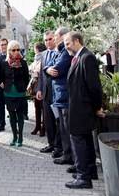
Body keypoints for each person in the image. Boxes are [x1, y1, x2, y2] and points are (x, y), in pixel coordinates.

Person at [64, 32, 103, 189]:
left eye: (67, 43)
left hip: (83, 109)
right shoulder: (79, 57)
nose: (66, 46)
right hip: (79, 108)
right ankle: (90, 171)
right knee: (85, 140)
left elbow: (94, 87)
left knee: (79, 141)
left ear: (77, 41)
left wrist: (97, 107)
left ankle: (83, 178)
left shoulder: (87, 57)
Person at [44, 27, 74, 165]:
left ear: (62, 37)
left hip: (64, 95)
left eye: (55, 36)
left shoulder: (66, 53)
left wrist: (50, 69)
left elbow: (57, 69)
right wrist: (48, 69)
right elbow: (48, 67)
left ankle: (69, 156)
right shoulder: (60, 51)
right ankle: (66, 154)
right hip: (59, 96)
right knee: (62, 127)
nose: (54, 39)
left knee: (67, 128)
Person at [36, 31, 62, 158]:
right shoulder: (44, 54)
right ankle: (51, 144)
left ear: (55, 39)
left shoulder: (60, 53)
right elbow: (41, 73)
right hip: (46, 93)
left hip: (57, 93)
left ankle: (59, 147)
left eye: (50, 39)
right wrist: (39, 89)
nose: (48, 42)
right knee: (48, 121)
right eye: (45, 40)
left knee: (58, 120)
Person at [2, 40, 29, 147]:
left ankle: (21, 137)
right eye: (14, 50)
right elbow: (1, 76)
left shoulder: (23, 62)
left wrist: (23, 87)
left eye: (18, 49)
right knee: (12, 116)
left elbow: (27, 78)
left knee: (20, 116)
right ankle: (14, 137)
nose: (16, 52)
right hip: (8, 93)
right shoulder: (4, 63)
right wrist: (1, 83)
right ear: (9, 51)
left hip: (20, 93)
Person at [27, 42, 46, 136]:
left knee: (43, 108)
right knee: (37, 108)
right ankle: (38, 126)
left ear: (37, 49)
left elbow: (37, 71)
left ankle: (43, 127)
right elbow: (31, 69)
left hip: (41, 86)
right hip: (35, 86)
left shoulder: (43, 57)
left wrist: (33, 71)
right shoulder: (36, 58)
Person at [0, 38, 8, 131]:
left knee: (12, 107)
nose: (3, 46)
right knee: (0, 107)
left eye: (5, 44)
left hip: (9, 86)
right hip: (0, 87)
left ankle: (14, 125)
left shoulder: (12, 56)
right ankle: (2, 125)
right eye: (2, 45)